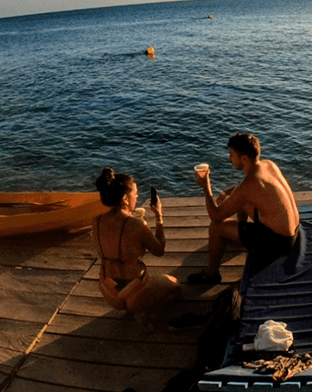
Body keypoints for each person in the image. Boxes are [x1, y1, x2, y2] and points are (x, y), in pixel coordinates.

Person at [188, 132, 300, 284]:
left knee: (216, 228)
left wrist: (206, 187)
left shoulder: (249, 184)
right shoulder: (268, 165)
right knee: (239, 200)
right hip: (294, 231)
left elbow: (215, 215)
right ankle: (242, 233)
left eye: (232, 155)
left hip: (279, 244)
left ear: (244, 158)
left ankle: (211, 275)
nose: (229, 159)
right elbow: (245, 192)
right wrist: (229, 192)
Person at [93, 168, 181, 330]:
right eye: (135, 193)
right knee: (175, 287)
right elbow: (159, 250)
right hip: (134, 292)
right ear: (125, 199)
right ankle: (141, 312)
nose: (138, 196)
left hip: (108, 289)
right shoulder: (137, 225)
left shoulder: (97, 221)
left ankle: (129, 307)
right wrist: (159, 217)